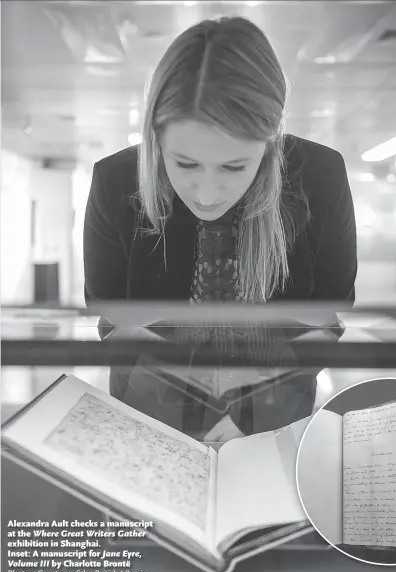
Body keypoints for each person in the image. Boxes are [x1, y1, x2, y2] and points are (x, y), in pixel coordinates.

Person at [83, 16, 357, 441]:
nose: (207, 193)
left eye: (234, 166)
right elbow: (115, 320)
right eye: (185, 164)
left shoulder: (320, 176)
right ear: (155, 138)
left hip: (278, 421)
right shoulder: (115, 180)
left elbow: (323, 321)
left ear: (269, 141)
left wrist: (251, 420)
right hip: (149, 422)